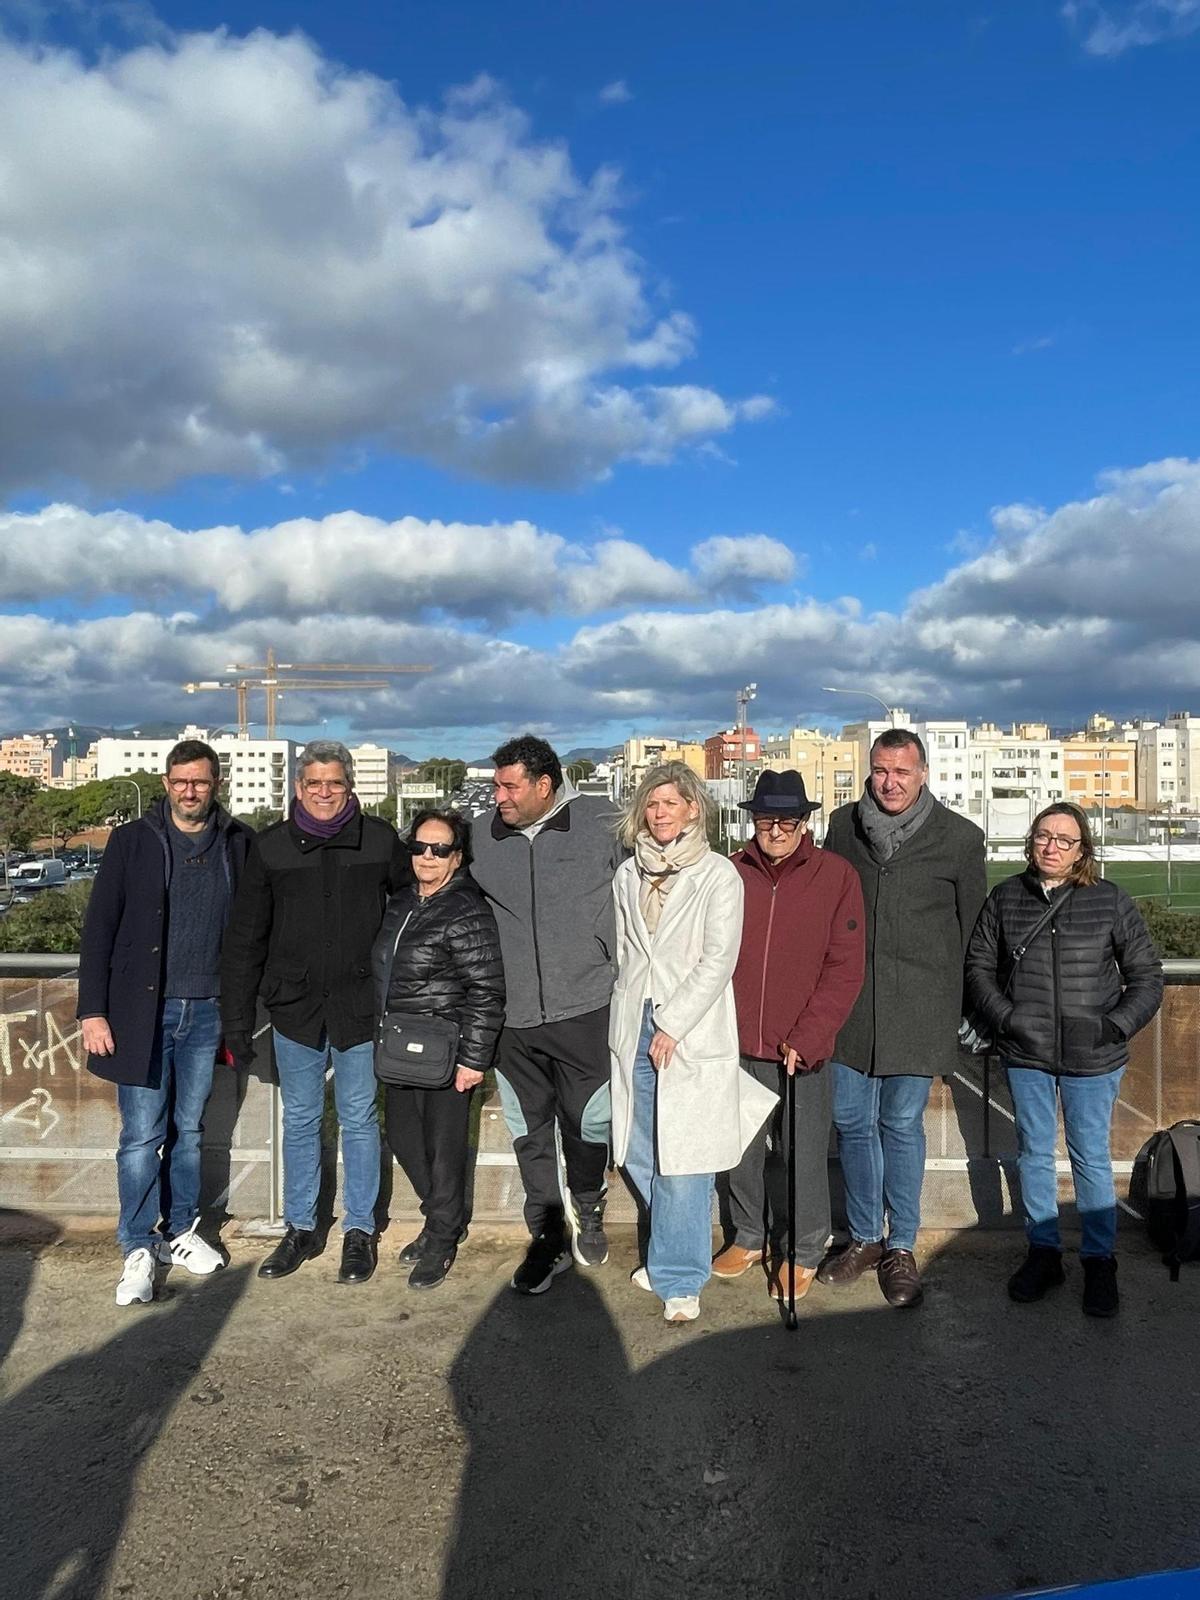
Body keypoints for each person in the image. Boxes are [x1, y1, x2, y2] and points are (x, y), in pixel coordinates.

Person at [220, 740, 409, 1285]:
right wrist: (238, 1019)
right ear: (298, 787)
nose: (325, 792)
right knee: (299, 1119)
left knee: (358, 1118)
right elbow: (245, 937)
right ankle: (300, 1227)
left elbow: (407, 918)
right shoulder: (271, 847)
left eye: (335, 783)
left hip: (360, 1007)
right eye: (314, 783)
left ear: (350, 787)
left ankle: (359, 1231)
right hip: (295, 1009)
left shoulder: (379, 841)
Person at [966, 803, 1162, 1317]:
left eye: (1064, 839)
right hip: (1025, 1053)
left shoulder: (1110, 900)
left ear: (1083, 850)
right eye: (1043, 835)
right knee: (1033, 1153)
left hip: (1094, 1056)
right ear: (1030, 841)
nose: (1051, 846)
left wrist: (1113, 1026)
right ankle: (1044, 1253)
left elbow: (1147, 976)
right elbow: (979, 968)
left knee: (1090, 1157)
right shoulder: (1005, 897)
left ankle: (1100, 1261)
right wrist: (1008, 1019)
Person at [77, 738, 253, 1306]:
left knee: (190, 1132)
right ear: (166, 784)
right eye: (180, 781)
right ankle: (136, 1245)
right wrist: (92, 1010)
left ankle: (180, 1231)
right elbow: (100, 927)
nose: (189, 790)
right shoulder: (132, 842)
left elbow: (253, 928)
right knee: (141, 1136)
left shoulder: (238, 843)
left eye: (199, 781)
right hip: (140, 1013)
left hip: (207, 1012)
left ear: (215, 784)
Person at [819, 728, 986, 1308]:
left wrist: (969, 1008)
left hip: (921, 1008)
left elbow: (972, 934)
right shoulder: (842, 828)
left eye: (902, 772)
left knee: (900, 1125)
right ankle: (865, 1237)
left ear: (923, 775)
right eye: (881, 771)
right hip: (851, 1010)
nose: (890, 783)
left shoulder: (961, 839)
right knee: (852, 1123)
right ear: (870, 770)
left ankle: (902, 1246)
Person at [609, 762, 777, 1324]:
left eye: (671, 804)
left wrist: (673, 1023)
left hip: (689, 1029)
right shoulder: (629, 873)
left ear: (694, 810)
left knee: (685, 1151)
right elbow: (629, 955)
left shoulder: (718, 876)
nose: (660, 814)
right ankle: (671, 1248)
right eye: (652, 805)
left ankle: (681, 1276)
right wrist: (637, 1017)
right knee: (637, 1145)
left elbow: (718, 959)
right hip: (633, 1020)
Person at [471, 734, 624, 1295]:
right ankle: (546, 1236)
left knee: (589, 1125)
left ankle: (589, 1205)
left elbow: (655, 881)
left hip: (585, 1008)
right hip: (511, 1020)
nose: (499, 796)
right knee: (528, 1131)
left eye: (509, 786)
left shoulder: (604, 822)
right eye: (495, 785)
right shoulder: (481, 835)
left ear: (545, 784)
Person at [717, 770, 865, 1303]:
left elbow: (845, 966)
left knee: (803, 1154)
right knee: (741, 1151)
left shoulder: (836, 875)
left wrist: (810, 1033)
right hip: (737, 1044)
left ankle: (803, 1250)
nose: (775, 830)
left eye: (787, 820)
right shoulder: (729, 872)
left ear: (805, 822)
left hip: (801, 1048)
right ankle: (750, 1236)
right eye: (764, 819)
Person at [372, 808, 505, 1290]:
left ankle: (443, 1235)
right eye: (420, 847)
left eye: (440, 848)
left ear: (458, 856)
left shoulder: (467, 909)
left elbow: (487, 990)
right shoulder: (403, 901)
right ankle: (440, 1219)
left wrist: (474, 1059)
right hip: (400, 1049)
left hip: (445, 1051)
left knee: (444, 1150)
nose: (427, 856)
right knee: (406, 1140)